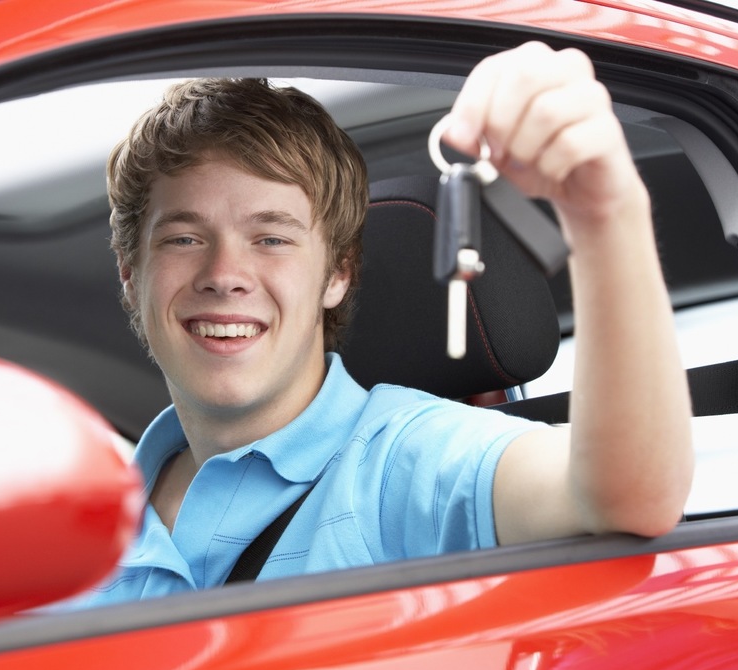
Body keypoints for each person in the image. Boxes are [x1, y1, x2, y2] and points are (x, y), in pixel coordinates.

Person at [69, 42, 694, 605]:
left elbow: (624, 492)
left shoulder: (407, 460)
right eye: (183, 237)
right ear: (131, 271)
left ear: (337, 275)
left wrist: (606, 211)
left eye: (271, 238)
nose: (225, 272)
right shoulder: (73, 528)